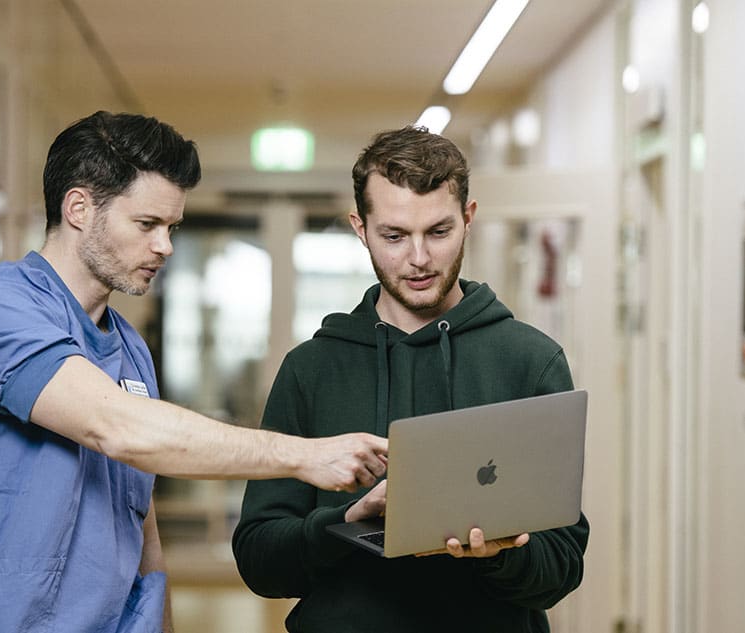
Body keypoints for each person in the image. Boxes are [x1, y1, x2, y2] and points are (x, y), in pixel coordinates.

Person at [0, 111, 388, 633]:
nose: (165, 246)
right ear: (78, 208)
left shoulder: (129, 347)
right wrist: (302, 454)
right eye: (147, 225)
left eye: (172, 227)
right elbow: (115, 427)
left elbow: (141, 523)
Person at [232, 126, 589, 632]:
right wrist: (348, 521)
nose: (418, 258)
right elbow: (260, 561)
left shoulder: (530, 361)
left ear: (468, 219)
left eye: (438, 232)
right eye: (394, 236)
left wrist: (498, 554)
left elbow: (563, 566)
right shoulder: (311, 369)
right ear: (361, 227)